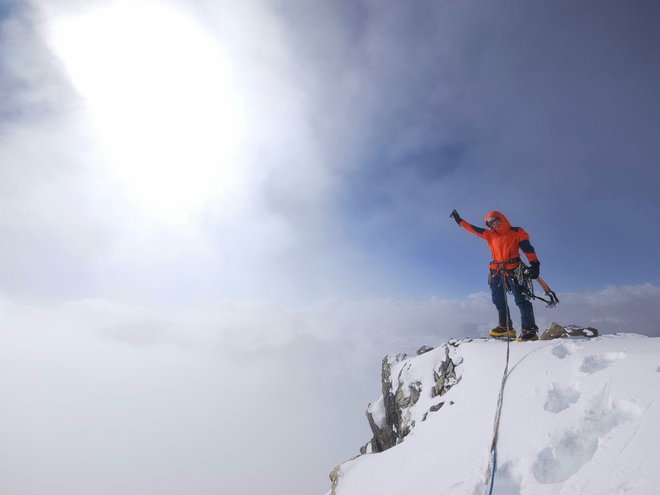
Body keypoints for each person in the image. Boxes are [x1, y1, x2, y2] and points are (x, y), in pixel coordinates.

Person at [450, 209, 541, 342]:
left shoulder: (516, 231)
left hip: (514, 270)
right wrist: (459, 221)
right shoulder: (489, 235)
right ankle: (505, 327)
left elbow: (527, 248)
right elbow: (472, 229)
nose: (494, 225)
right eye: (491, 223)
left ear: (502, 219)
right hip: (497, 271)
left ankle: (529, 330)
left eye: (496, 221)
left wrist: (534, 264)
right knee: (498, 299)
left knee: (521, 300)